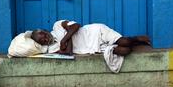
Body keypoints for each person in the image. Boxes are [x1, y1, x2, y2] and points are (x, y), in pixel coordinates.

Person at [8, 20, 150, 58]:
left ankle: (137, 38)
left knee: (124, 41)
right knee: (124, 50)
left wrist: (64, 40)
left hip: (94, 33)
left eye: (44, 35)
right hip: (92, 48)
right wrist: (65, 46)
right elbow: (68, 53)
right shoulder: (49, 49)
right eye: (42, 40)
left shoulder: (57, 25)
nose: (45, 38)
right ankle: (135, 44)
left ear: (45, 30)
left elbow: (75, 26)